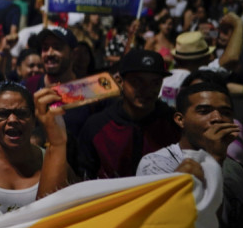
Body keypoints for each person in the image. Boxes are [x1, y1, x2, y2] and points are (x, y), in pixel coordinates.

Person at [135, 82, 243, 228]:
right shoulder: (156, 163)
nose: (217, 118)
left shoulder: (236, 169)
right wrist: (214, 159)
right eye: (204, 111)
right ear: (180, 119)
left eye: (226, 112)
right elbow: (180, 227)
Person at [0, 82, 66, 213]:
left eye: (21, 113)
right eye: (2, 113)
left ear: (33, 120)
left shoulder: (54, 161)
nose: (13, 119)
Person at [75, 49, 180, 180]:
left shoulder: (173, 123)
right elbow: (84, 175)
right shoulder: (97, 125)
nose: (146, 90)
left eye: (155, 83)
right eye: (137, 81)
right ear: (119, 81)